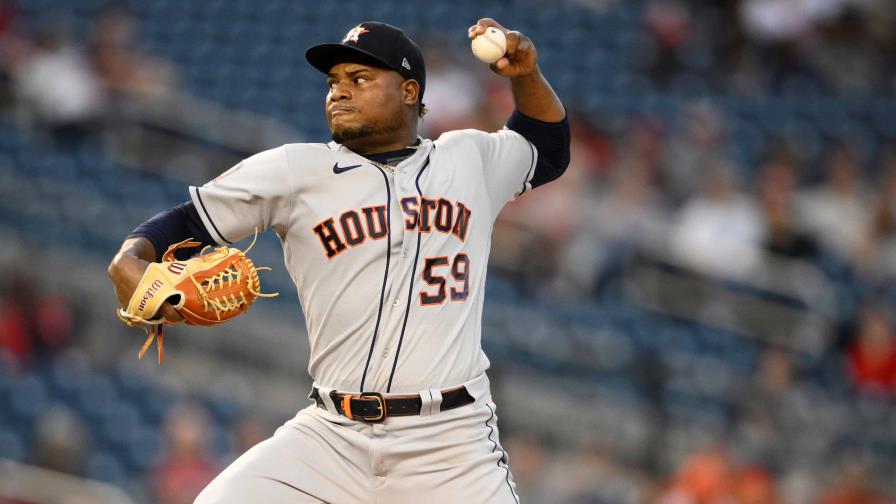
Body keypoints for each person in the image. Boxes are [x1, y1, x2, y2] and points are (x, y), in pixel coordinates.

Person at [107, 19, 569, 503]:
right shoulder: (296, 170)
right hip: (333, 434)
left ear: (410, 90)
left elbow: (548, 148)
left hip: (451, 444)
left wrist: (526, 75)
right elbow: (184, 222)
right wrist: (130, 259)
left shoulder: (468, 158)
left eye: (360, 79)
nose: (339, 93)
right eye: (334, 82)